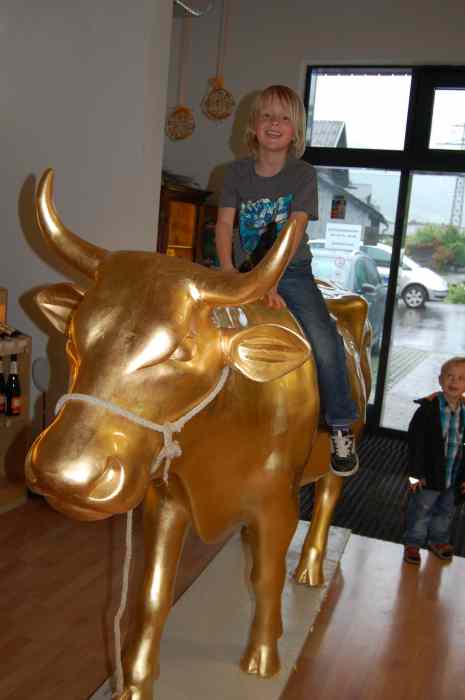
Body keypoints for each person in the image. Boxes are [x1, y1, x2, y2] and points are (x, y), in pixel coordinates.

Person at [215, 84, 359, 476]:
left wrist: (271, 280)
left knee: (324, 337)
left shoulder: (302, 174)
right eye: (266, 116)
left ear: (295, 130)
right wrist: (227, 271)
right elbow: (225, 224)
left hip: (291, 271)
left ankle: (340, 424)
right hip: (243, 270)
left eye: (284, 118)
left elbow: (294, 231)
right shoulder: (235, 172)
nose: (274, 123)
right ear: (254, 125)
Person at [403, 356, 465, 565]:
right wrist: (414, 475)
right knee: (421, 509)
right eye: (450, 376)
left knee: (446, 512)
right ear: (440, 380)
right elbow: (415, 445)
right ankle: (413, 542)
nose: (454, 382)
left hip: (453, 477)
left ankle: (438, 541)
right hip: (428, 476)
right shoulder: (427, 410)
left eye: (461, 378)